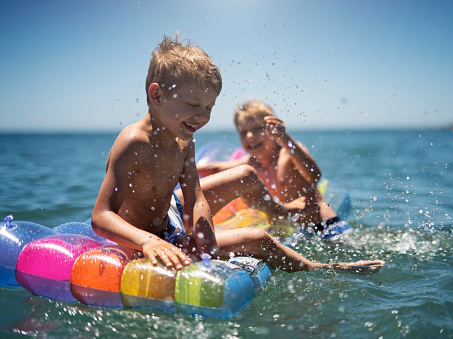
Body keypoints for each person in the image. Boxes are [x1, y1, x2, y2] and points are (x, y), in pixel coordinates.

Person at [91, 35, 385, 273]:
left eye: (209, 107)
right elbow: (101, 216)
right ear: (157, 96)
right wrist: (147, 242)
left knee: (252, 207)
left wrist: (207, 244)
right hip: (143, 242)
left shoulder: (184, 141)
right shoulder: (134, 143)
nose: (203, 117)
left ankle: (303, 244)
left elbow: (195, 199)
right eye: (194, 105)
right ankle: (318, 262)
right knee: (256, 236)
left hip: (170, 224)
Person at [197, 101, 350, 241]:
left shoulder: (288, 152)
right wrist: (183, 166)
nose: (250, 136)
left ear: (272, 129)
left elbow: (314, 176)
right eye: (243, 132)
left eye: (257, 129)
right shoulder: (251, 162)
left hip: (325, 226)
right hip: (295, 230)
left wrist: (285, 139)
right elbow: (216, 168)